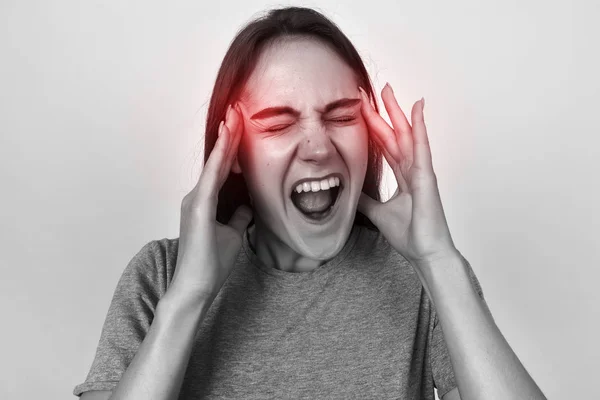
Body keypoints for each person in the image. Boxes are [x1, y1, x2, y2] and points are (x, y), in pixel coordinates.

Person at [74, 6, 546, 400]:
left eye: (341, 115)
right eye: (278, 124)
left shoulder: (421, 279)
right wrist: (189, 297)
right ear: (233, 152)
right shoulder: (159, 276)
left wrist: (438, 261)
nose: (319, 148)